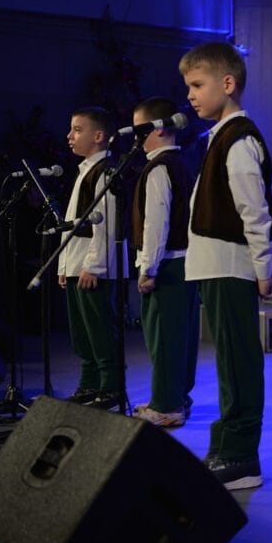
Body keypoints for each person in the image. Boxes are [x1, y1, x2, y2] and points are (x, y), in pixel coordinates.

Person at [179, 42, 272, 490]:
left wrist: (263, 266)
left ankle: (242, 457)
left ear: (228, 83)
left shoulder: (239, 139)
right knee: (227, 364)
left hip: (232, 265)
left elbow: (254, 211)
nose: (191, 95)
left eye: (197, 85)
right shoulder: (219, 136)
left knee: (239, 362)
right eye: (189, 87)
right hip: (214, 265)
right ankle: (226, 446)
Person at [129, 97, 198, 427]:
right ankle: (177, 397)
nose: (135, 136)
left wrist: (148, 268)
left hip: (168, 264)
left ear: (155, 129)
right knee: (180, 335)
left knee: (164, 336)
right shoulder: (181, 163)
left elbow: (156, 223)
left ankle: (166, 404)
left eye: (139, 128)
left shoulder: (158, 168)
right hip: (185, 263)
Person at [58, 106, 124, 410]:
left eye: (77, 129)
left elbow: (106, 224)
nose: (70, 136)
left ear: (99, 136)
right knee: (81, 331)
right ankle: (88, 384)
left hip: (91, 266)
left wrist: (93, 266)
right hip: (76, 263)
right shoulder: (84, 169)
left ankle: (110, 388)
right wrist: (63, 264)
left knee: (99, 329)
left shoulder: (105, 171)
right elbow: (71, 223)